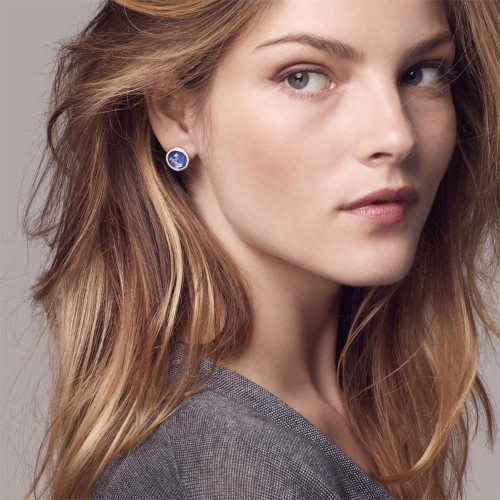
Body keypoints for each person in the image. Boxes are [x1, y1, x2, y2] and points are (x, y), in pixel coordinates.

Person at [23, 0, 499, 498]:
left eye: (421, 72)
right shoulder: (232, 470)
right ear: (175, 112)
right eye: (304, 78)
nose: (396, 136)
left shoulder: (319, 415)